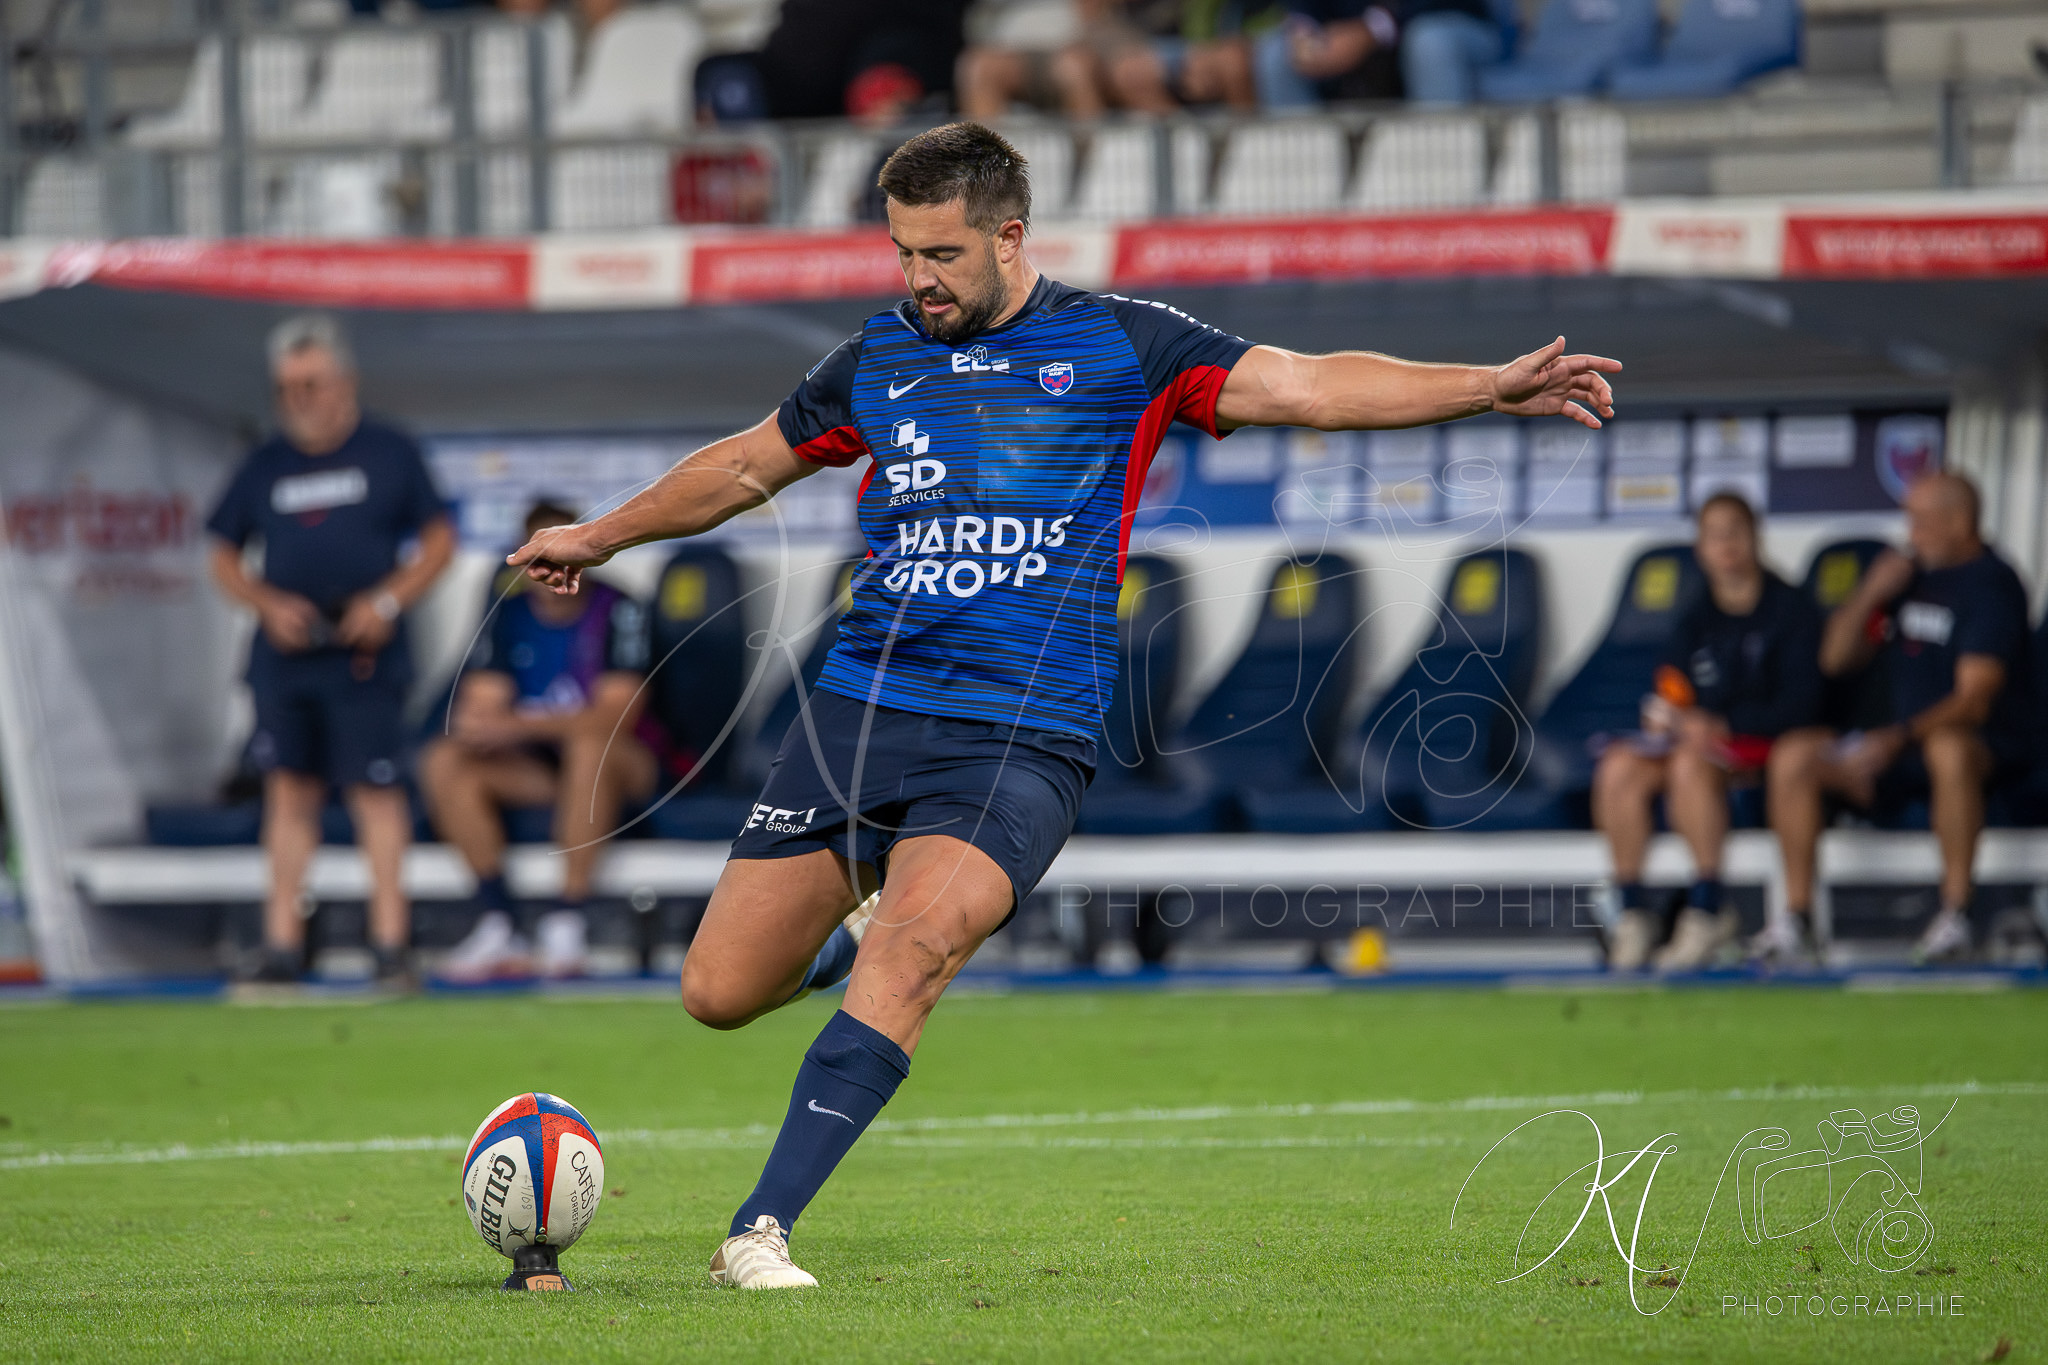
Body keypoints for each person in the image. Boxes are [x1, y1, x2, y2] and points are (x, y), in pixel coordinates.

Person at [504, 122, 1618, 1287]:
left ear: (1008, 235)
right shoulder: (874, 359)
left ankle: (759, 1228)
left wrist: (1485, 386)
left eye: (941, 253)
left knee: (918, 949)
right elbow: (743, 465)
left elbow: (1304, 384)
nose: (919, 279)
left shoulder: (1123, 344)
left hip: (1020, 732)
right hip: (860, 716)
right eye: (902, 253)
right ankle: (837, 945)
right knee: (718, 991)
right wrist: (598, 535)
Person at [206, 315, 454, 986]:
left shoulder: (388, 451)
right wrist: (266, 604)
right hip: (286, 657)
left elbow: (438, 542)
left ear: (344, 382)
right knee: (289, 792)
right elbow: (222, 555)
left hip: (365, 654)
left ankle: (390, 944)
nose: (300, 399)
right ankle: (282, 945)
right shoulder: (265, 463)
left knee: (376, 792)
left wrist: (386, 602)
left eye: (311, 384)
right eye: (287, 388)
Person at [1766, 472, 2033, 966]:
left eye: (1922, 522)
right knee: (1794, 754)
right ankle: (1798, 919)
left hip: (1979, 753)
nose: (1911, 534)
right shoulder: (1907, 578)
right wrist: (1871, 591)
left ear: (1960, 522)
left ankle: (1956, 914)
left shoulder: (1991, 583)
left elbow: (1973, 700)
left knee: (1948, 747)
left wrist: (1897, 738)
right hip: (1893, 750)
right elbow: (1834, 660)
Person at [421, 501, 659, 982]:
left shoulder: (620, 608)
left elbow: (614, 716)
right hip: (541, 771)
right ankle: (499, 922)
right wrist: (488, 726)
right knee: (445, 759)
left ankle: (566, 920)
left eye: (565, 550)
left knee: (590, 747)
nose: (554, 565)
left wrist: (518, 725)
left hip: (626, 766)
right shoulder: (508, 614)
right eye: (541, 553)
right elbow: (481, 707)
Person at [1592, 492, 1823, 972]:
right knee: (1619, 765)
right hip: (1701, 742)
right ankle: (1631, 912)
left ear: (1755, 536)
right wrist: (1665, 716)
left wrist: (1724, 726)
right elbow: (1672, 684)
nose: (1726, 545)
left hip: (1763, 746)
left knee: (1690, 761)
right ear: (1700, 547)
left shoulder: (1791, 608)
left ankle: (1707, 907)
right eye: (1714, 535)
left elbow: (1804, 704)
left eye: (1735, 532)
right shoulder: (1696, 614)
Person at [1254, 0, 1502, 106]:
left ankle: (1444, 166)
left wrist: (1373, 29)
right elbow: (1304, 10)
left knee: (1429, 42)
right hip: (1350, 40)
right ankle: (1305, 178)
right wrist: (1304, 32)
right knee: (1278, 53)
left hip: (1457, 27)